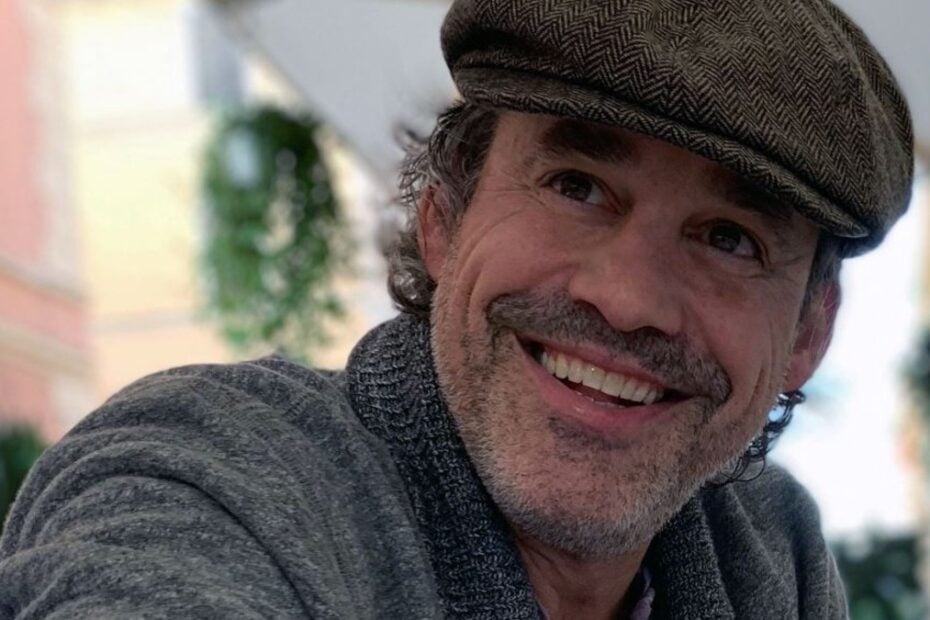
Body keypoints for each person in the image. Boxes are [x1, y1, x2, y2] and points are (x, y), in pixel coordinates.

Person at [0, 0, 913, 618]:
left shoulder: (768, 550)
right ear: (441, 218)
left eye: (730, 239)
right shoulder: (215, 476)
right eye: (576, 185)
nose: (629, 297)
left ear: (808, 335)